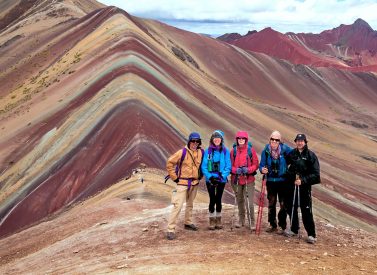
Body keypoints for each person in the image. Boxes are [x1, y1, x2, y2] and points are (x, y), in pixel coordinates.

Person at [165, 132, 204, 240]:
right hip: (182, 183)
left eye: (197, 141)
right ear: (189, 141)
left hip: (194, 182)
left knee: (190, 204)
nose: (195, 143)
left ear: (199, 142)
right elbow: (169, 163)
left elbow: (203, 165)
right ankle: (170, 229)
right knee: (178, 205)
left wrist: (201, 176)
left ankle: (188, 222)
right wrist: (174, 178)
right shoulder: (182, 152)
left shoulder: (201, 152)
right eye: (193, 141)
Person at [285, 134, 321, 244]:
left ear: (305, 142)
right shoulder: (292, 154)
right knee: (292, 208)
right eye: (298, 141)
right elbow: (286, 168)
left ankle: (311, 234)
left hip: (305, 188)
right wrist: (292, 176)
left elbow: (316, 175)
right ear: (295, 142)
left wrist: (303, 180)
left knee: (306, 210)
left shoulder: (311, 156)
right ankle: (294, 229)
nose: (300, 143)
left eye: (302, 141)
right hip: (292, 186)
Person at [259, 130, 293, 234]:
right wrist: (262, 170)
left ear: (280, 141)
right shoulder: (266, 150)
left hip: (283, 181)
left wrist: (291, 170)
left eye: (276, 140)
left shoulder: (286, 149)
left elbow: (295, 157)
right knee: (271, 203)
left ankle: (282, 225)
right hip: (270, 181)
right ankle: (272, 224)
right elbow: (261, 164)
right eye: (272, 139)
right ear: (269, 139)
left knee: (283, 204)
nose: (274, 141)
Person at [201, 130, 231, 230]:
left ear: (221, 139)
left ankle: (218, 219)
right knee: (212, 199)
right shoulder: (208, 151)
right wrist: (210, 177)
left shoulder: (225, 151)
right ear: (212, 139)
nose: (216, 139)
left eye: (218, 138)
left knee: (218, 199)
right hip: (210, 179)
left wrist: (222, 176)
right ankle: (211, 220)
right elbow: (204, 166)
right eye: (215, 138)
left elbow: (228, 166)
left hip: (221, 179)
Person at [230, 131, 259, 229]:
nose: (241, 140)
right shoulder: (233, 151)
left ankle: (252, 221)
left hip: (249, 179)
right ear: (237, 140)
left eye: (243, 139)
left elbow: (256, 165)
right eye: (239, 138)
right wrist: (235, 170)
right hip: (236, 180)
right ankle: (241, 220)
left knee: (249, 202)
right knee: (240, 200)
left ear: (246, 140)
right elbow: (228, 166)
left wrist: (248, 169)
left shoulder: (251, 151)